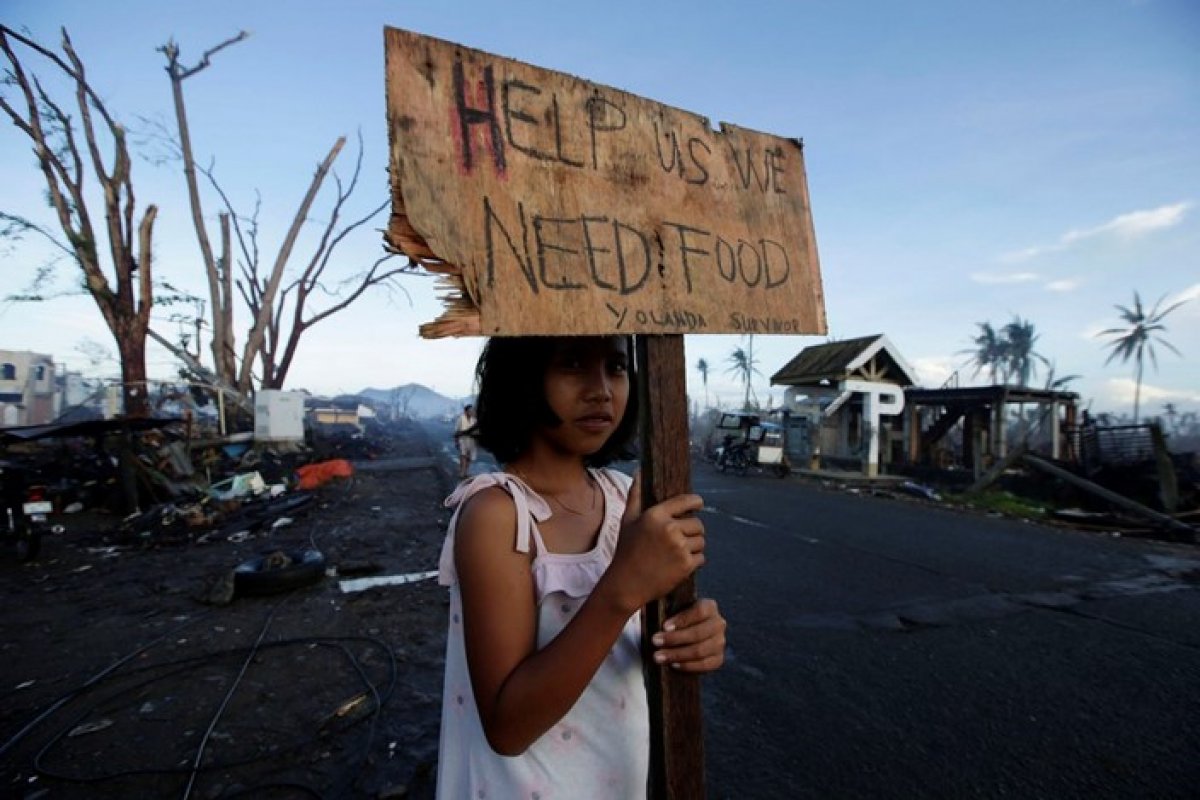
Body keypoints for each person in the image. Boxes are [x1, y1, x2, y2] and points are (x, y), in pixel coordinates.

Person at [435, 335, 727, 799]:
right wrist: (621, 589)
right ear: (522, 376)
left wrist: (692, 636)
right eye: (572, 365)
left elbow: (632, 640)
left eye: (615, 367)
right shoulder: (499, 513)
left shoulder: (621, 497)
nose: (602, 390)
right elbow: (507, 727)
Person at [453, 403, 478, 479]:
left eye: (472, 410)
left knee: (469, 457)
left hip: (472, 441)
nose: (472, 412)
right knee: (463, 456)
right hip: (462, 440)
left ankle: (466, 472)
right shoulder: (461, 419)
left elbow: (477, 431)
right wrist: (456, 442)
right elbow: (456, 431)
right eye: (470, 411)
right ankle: (462, 473)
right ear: (466, 411)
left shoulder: (474, 420)